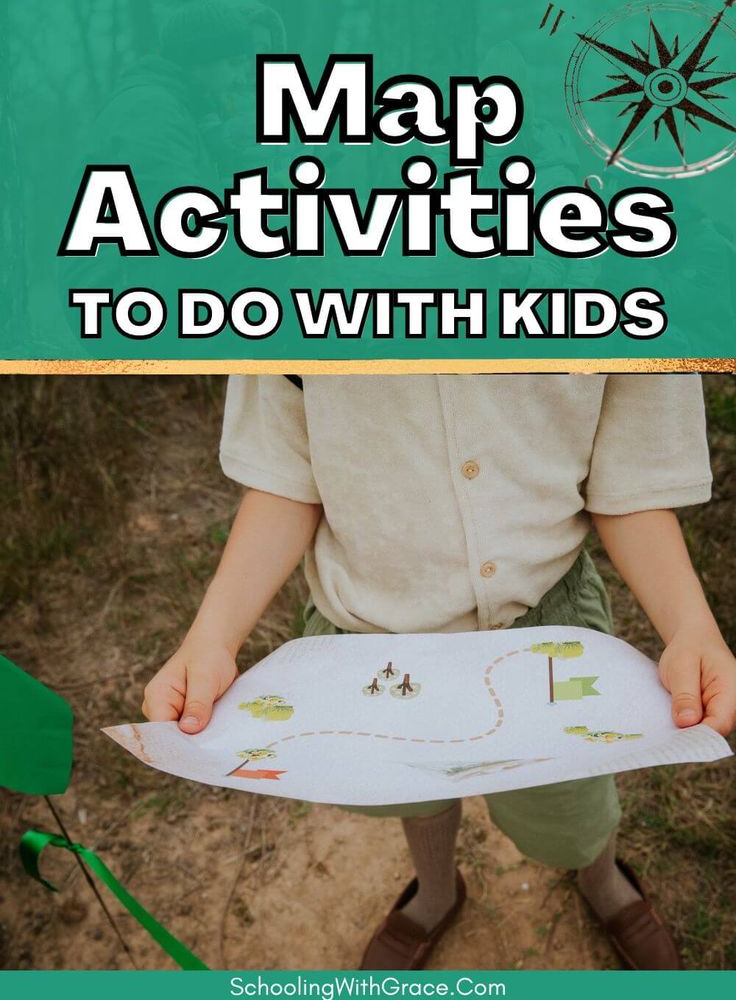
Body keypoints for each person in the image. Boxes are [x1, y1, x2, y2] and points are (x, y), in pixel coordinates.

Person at [142, 373, 736, 971]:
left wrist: (691, 627)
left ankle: (601, 880)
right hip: (371, 638)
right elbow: (286, 476)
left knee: (570, 805)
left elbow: (631, 482)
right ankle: (436, 891)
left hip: (546, 637)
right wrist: (213, 637)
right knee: (413, 786)